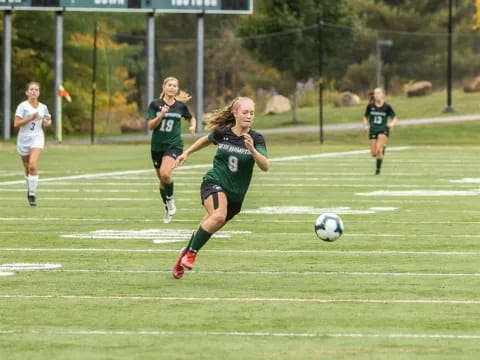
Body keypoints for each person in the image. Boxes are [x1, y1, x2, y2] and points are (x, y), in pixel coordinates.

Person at [171, 97, 269, 279]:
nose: (249, 116)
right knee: (217, 215)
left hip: (236, 197)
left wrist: (253, 150)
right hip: (214, 182)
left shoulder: (256, 138)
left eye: (252, 113)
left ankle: (184, 253)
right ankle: (191, 254)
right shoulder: (223, 133)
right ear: (235, 113)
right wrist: (187, 153)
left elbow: (265, 166)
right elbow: (206, 140)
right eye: (245, 112)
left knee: (210, 223)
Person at [147, 77, 196, 223]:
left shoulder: (180, 106)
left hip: (174, 146)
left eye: (175, 86)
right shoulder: (155, 104)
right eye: (169, 85)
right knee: (162, 181)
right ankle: (167, 207)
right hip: (157, 147)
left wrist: (192, 126)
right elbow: (150, 126)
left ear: (177, 89)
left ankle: (170, 199)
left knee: (165, 174)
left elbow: (191, 118)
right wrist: (160, 115)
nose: (172, 88)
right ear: (163, 87)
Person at [14, 81, 52, 206]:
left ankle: (32, 194)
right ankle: (29, 188)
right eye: (31, 89)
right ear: (27, 92)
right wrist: (29, 118)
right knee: (26, 167)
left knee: (32, 164)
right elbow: (16, 124)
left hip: (37, 137)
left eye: (36, 89)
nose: (34, 91)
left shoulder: (43, 107)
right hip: (24, 139)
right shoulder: (22, 106)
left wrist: (47, 122)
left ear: (39, 93)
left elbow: (47, 119)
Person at [362, 87, 398, 175]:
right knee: (374, 153)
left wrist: (391, 124)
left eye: (378, 93)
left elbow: (394, 118)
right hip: (373, 130)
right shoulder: (370, 106)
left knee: (379, 150)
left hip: (383, 129)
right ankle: (383, 147)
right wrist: (366, 125)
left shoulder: (387, 106)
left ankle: (377, 171)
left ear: (383, 95)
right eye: (375, 93)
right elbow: (365, 117)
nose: (376, 95)